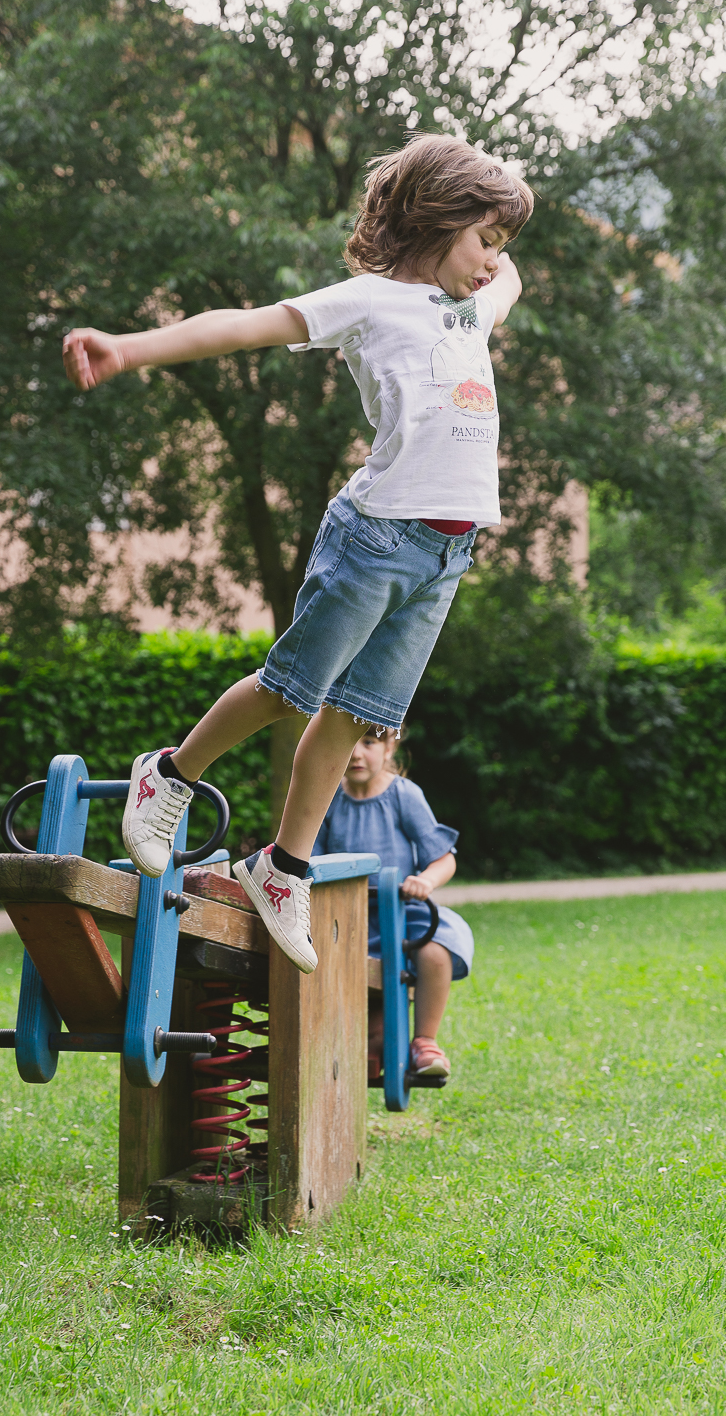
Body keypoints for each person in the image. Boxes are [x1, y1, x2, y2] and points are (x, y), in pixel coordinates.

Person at [62, 134, 533, 975]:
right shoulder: (368, 301)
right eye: (484, 240)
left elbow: (512, 281)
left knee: (359, 716)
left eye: (500, 245)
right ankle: (169, 774)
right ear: (441, 219)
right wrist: (129, 348)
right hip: (377, 537)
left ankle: (282, 868)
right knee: (291, 692)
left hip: (445, 556)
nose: (494, 262)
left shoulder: (471, 310)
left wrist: (495, 204)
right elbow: (244, 327)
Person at [313, 729, 473, 1078]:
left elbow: (444, 858)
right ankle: (362, 1049)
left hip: (401, 913)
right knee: (374, 1028)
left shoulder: (403, 795)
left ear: (389, 749)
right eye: (347, 741)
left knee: (435, 952)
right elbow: (311, 862)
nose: (356, 754)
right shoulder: (325, 798)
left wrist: (425, 881)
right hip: (345, 917)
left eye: (368, 743)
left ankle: (425, 1041)